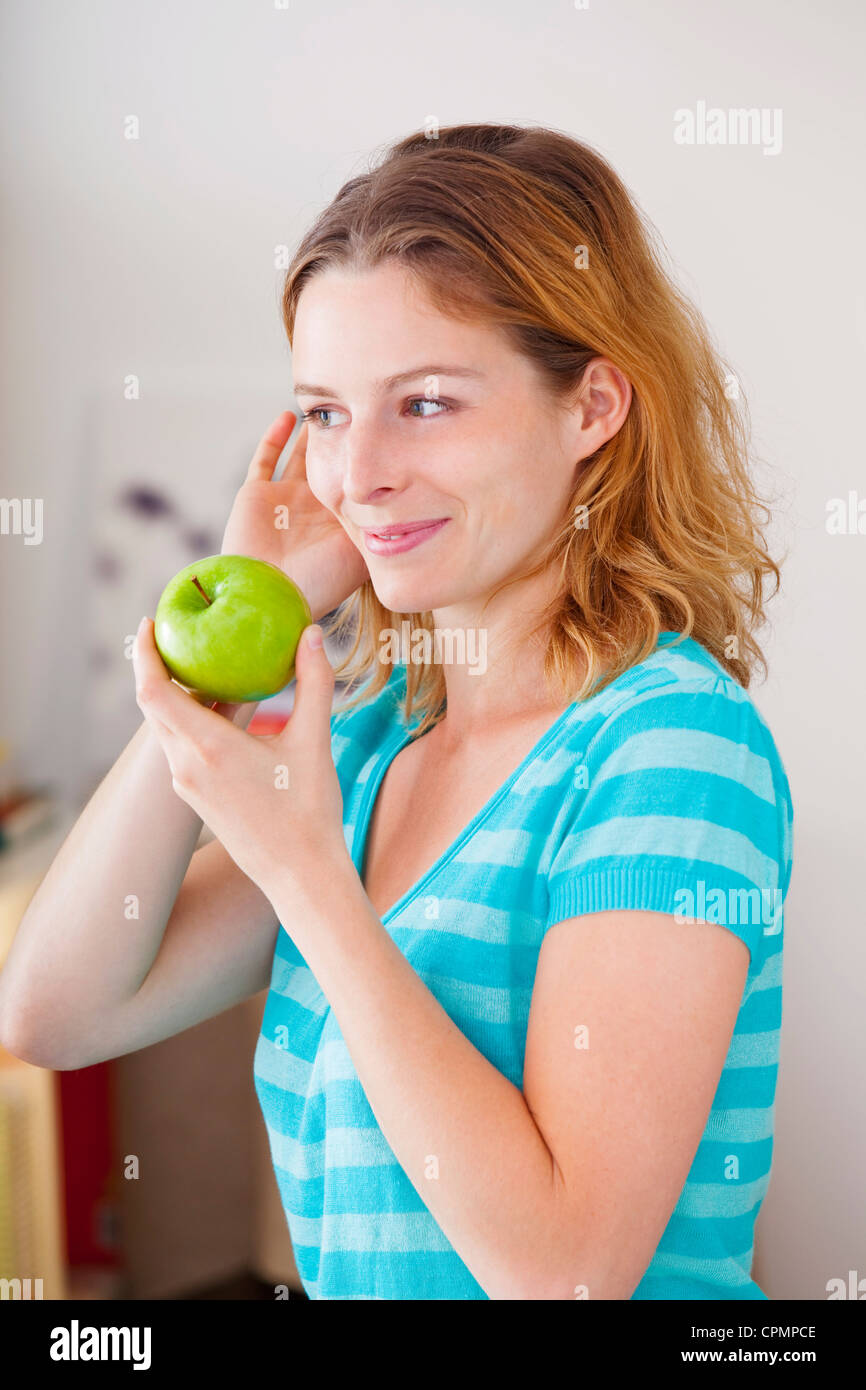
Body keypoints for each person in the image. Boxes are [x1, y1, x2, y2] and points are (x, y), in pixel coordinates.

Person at [0, 122, 793, 1301]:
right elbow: (54, 1010)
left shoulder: (669, 749)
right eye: (323, 413)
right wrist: (239, 646)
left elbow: (563, 1271)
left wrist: (310, 880)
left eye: (423, 404)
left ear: (591, 408)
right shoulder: (371, 738)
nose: (356, 471)